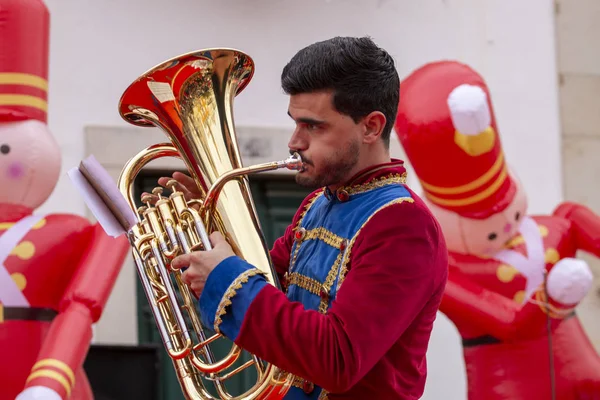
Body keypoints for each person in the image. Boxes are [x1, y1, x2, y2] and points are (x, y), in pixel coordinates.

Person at [156, 36, 449, 399]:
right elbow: (269, 293)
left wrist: (225, 276)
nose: (295, 141)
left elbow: (338, 360)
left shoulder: (403, 225)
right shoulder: (316, 205)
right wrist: (206, 233)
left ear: (371, 127)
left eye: (314, 126)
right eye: (295, 123)